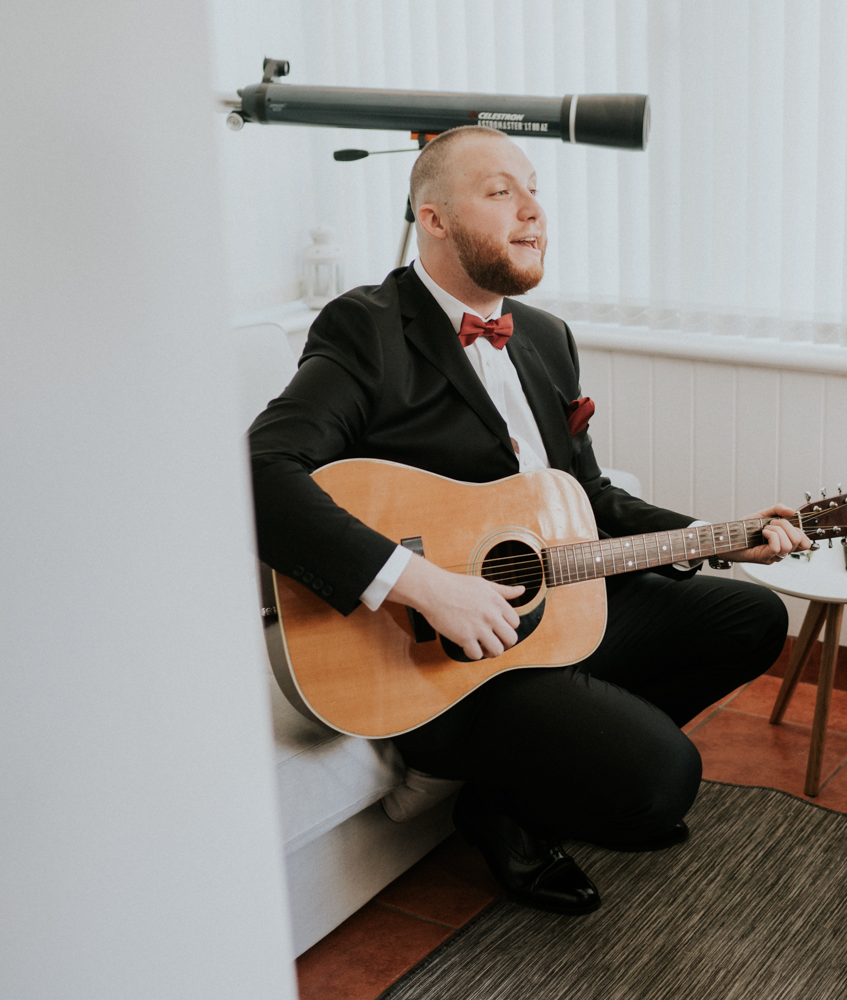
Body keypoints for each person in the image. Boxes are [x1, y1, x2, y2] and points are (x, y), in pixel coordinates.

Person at [248, 125, 809, 916]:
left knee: (751, 616)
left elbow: (590, 499)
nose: (534, 212)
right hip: (436, 658)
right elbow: (261, 471)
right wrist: (425, 586)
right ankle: (536, 780)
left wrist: (721, 534)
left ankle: (508, 802)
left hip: (544, 617)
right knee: (664, 782)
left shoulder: (546, 337)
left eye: (536, 190)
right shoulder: (366, 328)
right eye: (501, 191)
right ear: (433, 218)